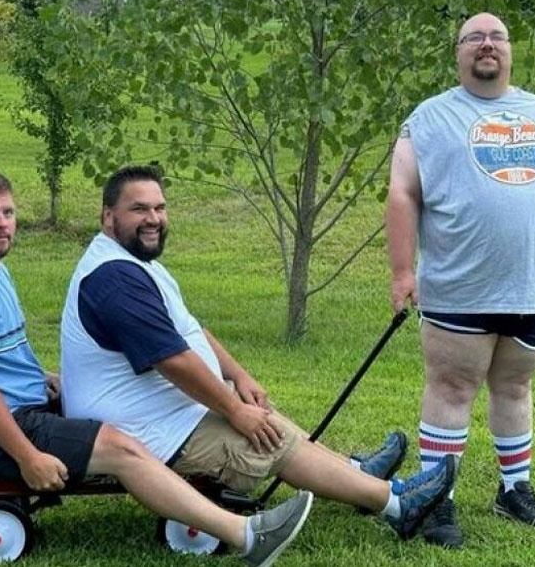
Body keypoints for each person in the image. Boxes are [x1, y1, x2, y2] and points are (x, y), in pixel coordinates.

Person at [0, 171, 318, 567]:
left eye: (8, 212)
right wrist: (28, 458)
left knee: (118, 429)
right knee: (121, 446)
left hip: (15, 409)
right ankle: (247, 536)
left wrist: (43, 379)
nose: (3, 223)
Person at [60, 164, 455, 543]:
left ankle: (360, 476)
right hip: (141, 429)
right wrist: (234, 410)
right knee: (267, 439)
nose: (154, 218)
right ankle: (399, 505)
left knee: (265, 419)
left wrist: (240, 377)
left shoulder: (133, 263)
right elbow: (173, 360)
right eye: (139, 209)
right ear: (108, 217)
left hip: (160, 411)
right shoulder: (113, 280)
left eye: (159, 207)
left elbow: (189, 329)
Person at [386, 12, 535, 548]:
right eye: (474, 38)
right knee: (451, 389)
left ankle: (514, 489)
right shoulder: (429, 118)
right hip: (459, 287)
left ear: (510, 51)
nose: (487, 45)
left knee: (515, 386)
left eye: (497, 36)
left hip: (530, 290)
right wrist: (403, 272)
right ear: (458, 53)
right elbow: (402, 193)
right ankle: (436, 501)